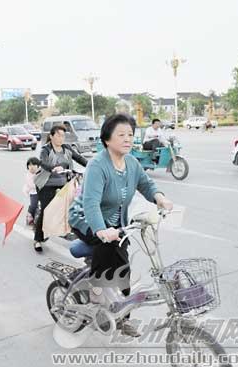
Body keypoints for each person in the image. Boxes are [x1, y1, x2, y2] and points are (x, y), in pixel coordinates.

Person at [68, 113, 173, 337]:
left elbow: (146, 184)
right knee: (107, 246)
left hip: (116, 223)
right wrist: (101, 230)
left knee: (123, 270)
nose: (128, 139)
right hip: (86, 218)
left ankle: (123, 317)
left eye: (131, 135)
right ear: (107, 139)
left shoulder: (132, 162)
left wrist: (160, 198)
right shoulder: (98, 165)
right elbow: (91, 203)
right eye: (121, 134)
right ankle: (96, 291)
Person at [33, 125, 88, 252]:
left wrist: (94, 165)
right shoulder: (46, 149)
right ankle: (37, 239)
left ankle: (71, 233)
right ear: (51, 136)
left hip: (63, 182)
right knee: (47, 210)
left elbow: (80, 159)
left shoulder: (67, 148)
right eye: (58, 135)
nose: (61, 138)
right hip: (46, 184)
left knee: (72, 207)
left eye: (63, 135)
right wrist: (53, 168)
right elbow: (43, 162)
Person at [23, 157, 40, 226]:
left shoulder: (41, 172)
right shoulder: (28, 175)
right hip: (33, 192)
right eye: (29, 165)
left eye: (34, 165)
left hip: (42, 191)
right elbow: (31, 185)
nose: (31, 167)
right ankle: (30, 217)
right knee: (34, 205)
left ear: (38, 166)